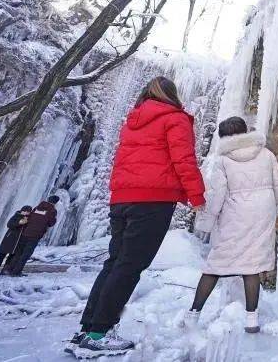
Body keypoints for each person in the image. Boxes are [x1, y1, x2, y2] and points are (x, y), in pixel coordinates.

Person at [69, 77, 206, 358]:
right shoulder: (175, 119)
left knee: (115, 263)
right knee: (129, 267)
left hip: (122, 199)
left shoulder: (133, 121)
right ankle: (99, 334)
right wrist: (197, 196)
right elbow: (183, 160)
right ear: (172, 95)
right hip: (152, 202)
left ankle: (86, 331)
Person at [186, 116, 278, 334]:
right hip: (263, 213)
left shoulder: (223, 160)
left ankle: (193, 315)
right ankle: (252, 320)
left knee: (215, 265)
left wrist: (205, 222)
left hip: (235, 215)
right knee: (251, 265)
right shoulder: (266, 154)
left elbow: (216, 195)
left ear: (223, 137)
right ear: (244, 132)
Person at [7, 196, 58, 276]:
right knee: (26, 254)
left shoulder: (37, 207)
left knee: (19, 252)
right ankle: (16, 272)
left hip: (26, 232)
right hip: (35, 235)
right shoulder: (52, 210)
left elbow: (30, 217)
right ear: (55, 203)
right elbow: (51, 223)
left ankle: (10, 269)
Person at [0, 205, 32, 276]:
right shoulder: (16, 216)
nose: (26, 213)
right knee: (2, 255)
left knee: (11, 257)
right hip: (9, 239)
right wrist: (19, 223)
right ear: (22, 210)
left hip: (18, 242)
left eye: (28, 212)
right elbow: (9, 225)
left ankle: (4, 271)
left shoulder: (28, 219)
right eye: (25, 211)